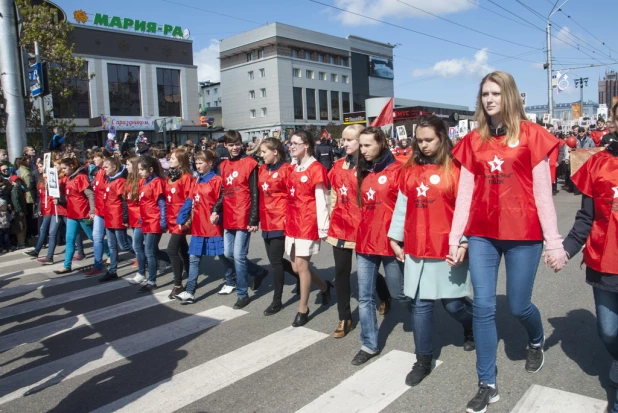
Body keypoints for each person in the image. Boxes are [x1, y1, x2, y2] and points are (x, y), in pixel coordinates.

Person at [448, 71, 567, 413]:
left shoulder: (533, 136)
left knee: (517, 306)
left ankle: (535, 338)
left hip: (524, 234)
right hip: (483, 234)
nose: (489, 99)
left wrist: (554, 242)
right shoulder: (473, 140)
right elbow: (466, 194)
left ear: (510, 96)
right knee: (484, 307)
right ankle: (487, 383)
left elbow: (544, 194)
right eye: (485, 93)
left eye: (496, 93)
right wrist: (457, 237)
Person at [388, 116, 474, 386]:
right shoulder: (409, 169)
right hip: (416, 247)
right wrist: (395, 237)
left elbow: (468, 209)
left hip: (447, 248)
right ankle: (423, 359)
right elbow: (403, 205)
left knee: (454, 304)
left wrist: (464, 241)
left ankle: (472, 326)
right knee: (421, 305)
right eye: (420, 140)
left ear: (442, 138)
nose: (423, 145)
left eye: (429, 140)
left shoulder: (458, 169)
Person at [549, 134, 618, 413]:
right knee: (609, 331)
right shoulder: (598, 164)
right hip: (604, 263)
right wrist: (565, 250)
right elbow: (586, 218)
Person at [327, 124, 392, 338]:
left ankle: (385, 296)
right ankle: (344, 317)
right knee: (341, 273)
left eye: (349, 140)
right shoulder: (337, 166)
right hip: (339, 226)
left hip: (363, 227)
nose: (344, 144)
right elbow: (334, 195)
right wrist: (328, 219)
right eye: (343, 140)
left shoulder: (371, 167)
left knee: (370, 272)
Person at [351, 126, 403, 366]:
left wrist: (402, 239)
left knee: (400, 294)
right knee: (365, 296)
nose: (364, 150)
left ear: (381, 143)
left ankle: (428, 311)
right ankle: (369, 343)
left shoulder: (398, 170)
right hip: (365, 242)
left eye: (368, 145)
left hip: (391, 243)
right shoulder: (362, 170)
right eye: (361, 145)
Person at [285, 129, 332, 327]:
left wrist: (323, 227)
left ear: (306, 145)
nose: (292, 146)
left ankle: (302, 308)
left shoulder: (316, 169)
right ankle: (324, 287)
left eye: (296, 143)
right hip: (292, 222)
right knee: (296, 267)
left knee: (302, 266)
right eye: (291, 143)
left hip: (308, 222)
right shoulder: (292, 168)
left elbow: (322, 200)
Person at [173, 150, 234, 303]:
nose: (197, 165)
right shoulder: (196, 180)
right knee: (194, 258)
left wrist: (218, 215)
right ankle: (190, 291)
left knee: (223, 256)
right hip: (199, 227)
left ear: (210, 163)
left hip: (214, 226)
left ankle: (232, 280)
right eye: (196, 163)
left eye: (200, 163)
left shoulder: (217, 180)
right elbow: (189, 200)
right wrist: (182, 216)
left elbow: (223, 201)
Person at [219, 130, 268, 309]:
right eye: (231, 144)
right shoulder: (223, 166)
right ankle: (258, 271)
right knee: (228, 254)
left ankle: (242, 293)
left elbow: (255, 192)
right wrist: (216, 209)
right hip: (229, 214)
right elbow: (223, 191)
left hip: (244, 214)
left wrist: (254, 218)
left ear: (242, 144)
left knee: (238, 255)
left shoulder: (250, 163)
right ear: (225, 146)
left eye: (237, 143)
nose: (235, 147)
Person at [257, 138, 300, 315]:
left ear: (275, 152)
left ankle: (277, 300)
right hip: (266, 220)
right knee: (277, 261)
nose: (261, 155)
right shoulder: (261, 169)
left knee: (275, 262)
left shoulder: (287, 169)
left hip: (281, 220)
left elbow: (295, 196)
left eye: (264, 152)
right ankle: (305, 277)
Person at [34, 159, 84, 265]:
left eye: (57, 165)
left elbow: (69, 193)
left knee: (74, 231)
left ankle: (80, 251)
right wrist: (48, 187)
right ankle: (49, 256)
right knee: (52, 232)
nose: (56, 167)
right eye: (55, 165)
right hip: (56, 209)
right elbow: (50, 193)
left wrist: (60, 198)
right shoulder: (54, 178)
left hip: (66, 210)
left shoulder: (66, 178)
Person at [54, 157, 95, 275]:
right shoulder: (68, 178)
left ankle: (108, 254)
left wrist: (92, 210)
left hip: (83, 213)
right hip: (72, 213)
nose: (63, 171)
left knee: (93, 237)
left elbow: (90, 195)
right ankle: (67, 265)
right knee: (69, 239)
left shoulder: (81, 177)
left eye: (64, 168)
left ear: (72, 166)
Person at [165, 148, 195, 299]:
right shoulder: (170, 176)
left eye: (172, 158)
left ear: (181, 161)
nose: (169, 160)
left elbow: (189, 200)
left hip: (180, 219)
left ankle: (178, 284)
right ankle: (191, 275)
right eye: (169, 158)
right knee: (182, 249)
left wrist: (186, 220)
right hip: (171, 218)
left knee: (171, 250)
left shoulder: (187, 177)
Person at [135, 156, 167, 292]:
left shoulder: (157, 182)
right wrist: (142, 217)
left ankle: (152, 281)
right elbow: (144, 203)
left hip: (154, 221)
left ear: (151, 169)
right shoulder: (143, 182)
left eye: (142, 170)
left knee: (149, 251)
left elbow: (161, 203)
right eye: (139, 170)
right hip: (146, 220)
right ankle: (179, 261)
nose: (140, 172)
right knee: (153, 251)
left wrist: (163, 221)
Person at [98, 156, 130, 282]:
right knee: (112, 245)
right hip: (109, 217)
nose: (103, 169)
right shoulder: (109, 180)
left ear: (114, 167)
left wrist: (125, 217)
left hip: (117, 217)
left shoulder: (120, 181)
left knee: (124, 244)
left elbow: (124, 201)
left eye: (106, 167)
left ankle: (149, 259)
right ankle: (113, 271)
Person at [84, 151, 109, 276]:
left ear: (103, 158)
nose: (93, 160)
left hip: (109, 211)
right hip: (99, 211)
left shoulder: (107, 173)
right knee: (97, 237)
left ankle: (140, 253)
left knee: (121, 241)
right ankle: (97, 265)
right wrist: (93, 210)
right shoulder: (98, 173)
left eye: (96, 157)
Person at [125, 156, 147, 283]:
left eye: (128, 164)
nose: (126, 167)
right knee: (145, 248)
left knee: (137, 245)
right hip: (133, 217)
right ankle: (161, 260)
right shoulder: (129, 180)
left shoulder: (142, 181)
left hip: (140, 217)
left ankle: (141, 273)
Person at [9, 175, 27, 249]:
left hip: (22, 210)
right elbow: (15, 202)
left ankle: (22, 242)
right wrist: (19, 210)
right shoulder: (14, 191)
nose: (18, 182)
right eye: (16, 181)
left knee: (23, 226)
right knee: (20, 228)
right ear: (12, 183)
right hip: (18, 212)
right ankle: (21, 244)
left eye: (18, 180)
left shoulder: (19, 189)